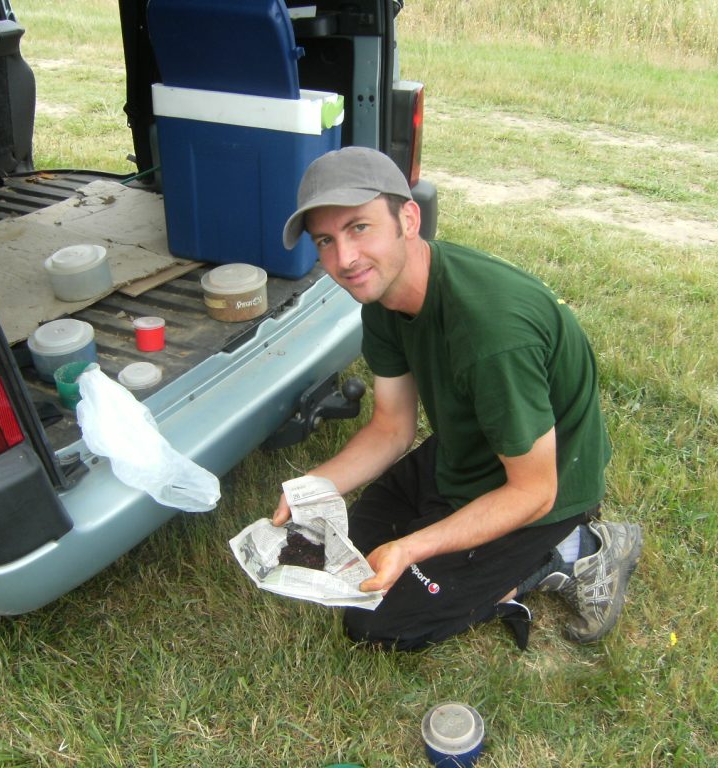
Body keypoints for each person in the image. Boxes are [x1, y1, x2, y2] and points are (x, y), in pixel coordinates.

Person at [273, 146, 642, 650]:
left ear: (408, 218)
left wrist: (411, 546)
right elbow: (391, 428)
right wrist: (313, 486)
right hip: (469, 449)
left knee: (380, 625)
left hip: (543, 480)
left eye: (359, 228)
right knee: (352, 562)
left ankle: (576, 550)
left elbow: (534, 492)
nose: (345, 259)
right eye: (326, 240)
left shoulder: (491, 334)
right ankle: (452, 540)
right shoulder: (382, 298)